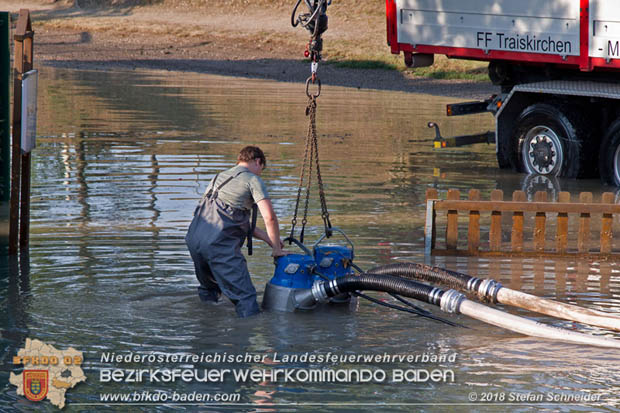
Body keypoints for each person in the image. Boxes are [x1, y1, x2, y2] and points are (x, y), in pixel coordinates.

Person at [185, 146, 286, 318]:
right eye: (262, 169)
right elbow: (270, 217)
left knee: (209, 291)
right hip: (218, 245)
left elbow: (229, 220)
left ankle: (207, 329)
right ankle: (246, 336)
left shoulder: (217, 178)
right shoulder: (252, 180)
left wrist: (270, 240)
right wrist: (277, 249)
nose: (260, 173)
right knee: (246, 298)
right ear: (258, 161)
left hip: (194, 241)